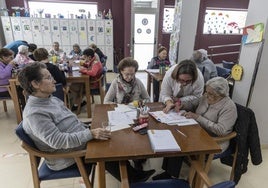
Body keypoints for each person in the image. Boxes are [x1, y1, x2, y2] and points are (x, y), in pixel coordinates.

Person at [17, 62, 155, 183]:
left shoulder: (50, 99)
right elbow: (57, 141)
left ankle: (131, 173)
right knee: (110, 146)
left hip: (77, 139)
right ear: (35, 84)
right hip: (67, 156)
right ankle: (131, 178)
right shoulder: (35, 113)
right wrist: (90, 133)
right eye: (48, 78)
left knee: (115, 132)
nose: (54, 80)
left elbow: (70, 121)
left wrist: (89, 127)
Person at [153, 77, 237, 180]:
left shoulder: (229, 107)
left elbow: (221, 130)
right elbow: (194, 104)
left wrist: (198, 117)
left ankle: (179, 178)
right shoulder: (206, 97)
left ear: (221, 94)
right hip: (197, 131)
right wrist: (182, 105)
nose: (207, 95)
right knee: (174, 137)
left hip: (213, 140)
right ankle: (168, 173)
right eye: (206, 92)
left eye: (211, 94)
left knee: (181, 143)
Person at [104, 57, 150, 170]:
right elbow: (106, 102)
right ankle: (124, 161)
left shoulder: (138, 83)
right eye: (126, 74)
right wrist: (120, 106)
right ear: (120, 72)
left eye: (132, 74)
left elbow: (147, 99)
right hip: (120, 115)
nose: (129, 77)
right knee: (122, 138)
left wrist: (140, 102)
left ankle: (138, 158)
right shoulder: (116, 83)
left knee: (139, 137)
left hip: (136, 116)